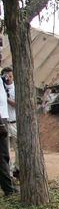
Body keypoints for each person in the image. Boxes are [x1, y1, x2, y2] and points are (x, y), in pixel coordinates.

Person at [0, 67, 15, 196]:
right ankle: (8, 184)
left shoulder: (12, 87)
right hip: (3, 121)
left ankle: (9, 183)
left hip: (9, 120)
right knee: (4, 154)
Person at [2, 67, 18, 179]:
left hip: (14, 122)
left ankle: (17, 169)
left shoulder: (16, 88)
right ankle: (9, 173)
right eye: (6, 76)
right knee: (5, 150)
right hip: (4, 123)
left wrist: (5, 98)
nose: (8, 78)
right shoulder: (1, 88)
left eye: (10, 76)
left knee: (18, 148)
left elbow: (17, 104)